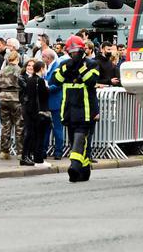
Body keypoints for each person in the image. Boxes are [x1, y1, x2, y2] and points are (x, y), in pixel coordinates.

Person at [54, 35, 100, 182]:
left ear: (82, 50)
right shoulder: (65, 65)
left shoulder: (92, 64)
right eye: (71, 52)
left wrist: (80, 67)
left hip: (86, 110)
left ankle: (74, 166)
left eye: (77, 51)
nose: (74, 54)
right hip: (69, 110)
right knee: (74, 141)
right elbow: (55, 80)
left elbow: (91, 81)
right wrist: (68, 67)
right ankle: (84, 171)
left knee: (80, 139)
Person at [0, 51, 25, 160]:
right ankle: (20, 152)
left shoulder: (2, 71)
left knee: (5, 125)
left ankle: (4, 151)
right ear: (17, 59)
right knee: (19, 125)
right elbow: (22, 85)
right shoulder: (19, 71)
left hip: (3, 97)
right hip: (16, 97)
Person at [21, 60, 50, 167]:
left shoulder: (30, 80)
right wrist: (47, 88)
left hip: (29, 110)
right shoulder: (40, 81)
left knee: (30, 134)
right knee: (38, 136)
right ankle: (38, 159)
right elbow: (44, 96)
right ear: (42, 69)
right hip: (38, 112)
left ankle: (26, 156)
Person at [44, 45, 67, 160]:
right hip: (48, 101)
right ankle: (44, 150)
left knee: (57, 128)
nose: (42, 59)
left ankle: (58, 151)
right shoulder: (48, 67)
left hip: (56, 101)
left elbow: (58, 84)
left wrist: (47, 88)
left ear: (48, 58)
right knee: (46, 128)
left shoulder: (57, 67)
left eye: (43, 57)